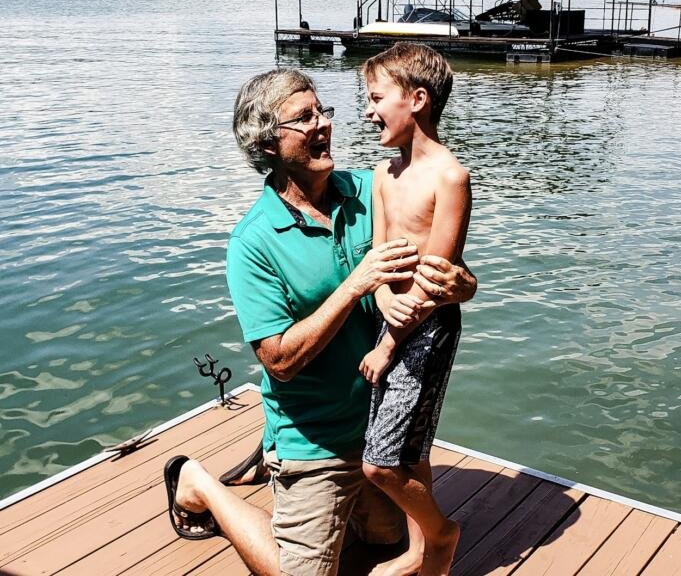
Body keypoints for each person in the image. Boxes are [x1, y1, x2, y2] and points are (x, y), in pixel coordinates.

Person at [163, 68, 477, 576]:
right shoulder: (253, 243)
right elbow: (279, 361)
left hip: (376, 426)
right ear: (268, 143)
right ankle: (201, 482)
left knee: (386, 541)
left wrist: (463, 283)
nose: (323, 124)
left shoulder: (369, 189)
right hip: (314, 438)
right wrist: (355, 284)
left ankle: (322, 490)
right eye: (303, 118)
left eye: (322, 111)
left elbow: (436, 257)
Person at [356, 43, 470, 576]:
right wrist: (379, 296)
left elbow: (437, 278)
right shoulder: (384, 174)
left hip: (425, 330)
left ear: (417, 100)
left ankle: (442, 535)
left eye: (377, 98)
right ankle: (421, 551)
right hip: (389, 318)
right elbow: (377, 253)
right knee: (413, 450)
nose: (367, 109)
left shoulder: (450, 177)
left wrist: (386, 344)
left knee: (380, 464)